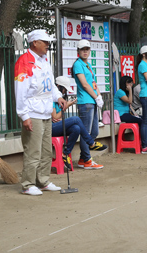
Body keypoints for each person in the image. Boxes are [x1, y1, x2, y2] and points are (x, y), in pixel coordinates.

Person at [14, 29, 66, 195]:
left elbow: (50, 84)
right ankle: (28, 184)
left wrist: (58, 97)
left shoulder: (44, 60)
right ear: (34, 43)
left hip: (45, 111)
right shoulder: (24, 62)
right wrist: (24, 115)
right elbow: (20, 91)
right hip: (32, 112)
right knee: (33, 150)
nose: (48, 45)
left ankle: (43, 180)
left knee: (46, 150)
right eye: (45, 42)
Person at [52, 76, 106, 171]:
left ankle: (65, 154)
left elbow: (59, 118)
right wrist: (66, 107)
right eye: (64, 89)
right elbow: (55, 117)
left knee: (76, 128)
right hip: (50, 127)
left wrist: (61, 113)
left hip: (57, 125)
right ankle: (91, 143)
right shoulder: (51, 99)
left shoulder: (59, 100)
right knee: (76, 119)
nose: (64, 92)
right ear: (58, 86)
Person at [72, 39, 105, 168]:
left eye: (87, 49)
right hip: (85, 101)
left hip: (92, 100)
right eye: (82, 49)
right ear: (78, 51)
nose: (85, 51)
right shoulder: (78, 64)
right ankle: (86, 160)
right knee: (86, 133)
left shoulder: (88, 65)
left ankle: (82, 158)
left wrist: (99, 95)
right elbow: (85, 84)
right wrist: (96, 97)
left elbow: (93, 83)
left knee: (94, 132)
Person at [114, 75, 147, 150]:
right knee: (141, 121)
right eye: (129, 83)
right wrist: (130, 91)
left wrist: (135, 113)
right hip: (121, 115)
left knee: (144, 119)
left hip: (127, 113)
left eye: (131, 83)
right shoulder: (120, 92)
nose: (131, 85)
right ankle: (144, 144)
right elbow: (129, 101)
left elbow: (129, 105)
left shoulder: (126, 92)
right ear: (124, 83)